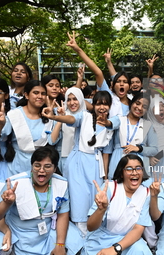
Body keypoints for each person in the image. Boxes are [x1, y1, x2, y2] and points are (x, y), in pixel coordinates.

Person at [42, 90, 119, 236]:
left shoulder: (111, 126)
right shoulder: (84, 116)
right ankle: (79, 235)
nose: (101, 107)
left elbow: (106, 154)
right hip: (78, 163)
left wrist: (106, 176)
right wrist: (56, 117)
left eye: (105, 104)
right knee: (78, 198)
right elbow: (72, 120)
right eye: (98, 104)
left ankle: (91, 234)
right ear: (93, 105)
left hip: (96, 166)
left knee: (94, 199)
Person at [0, 146, 83, 255]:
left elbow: (62, 214)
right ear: (31, 167)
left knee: (75, 239)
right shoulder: (15, 183)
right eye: (37, 166)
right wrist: (6, 203)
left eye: (47, 166)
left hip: (47, 231)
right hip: (20, 233)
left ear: (55, 168)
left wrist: (60, 244)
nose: (41, 170)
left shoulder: (61, 183)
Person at [82, 154, 152, 255]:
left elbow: (138, 228)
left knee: (141, 249)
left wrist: (116, 248)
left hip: (128, 240)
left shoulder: (146, 193)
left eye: (138, 168)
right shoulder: (110, 188)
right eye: (129, 169)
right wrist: (101, 209)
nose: (134, 172)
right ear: (121, 173)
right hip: (101, 240)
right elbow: (90, 227)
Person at [0, 80, 53, 176]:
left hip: (41, 167)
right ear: (26, 95)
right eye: (36, 93)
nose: (40, 96)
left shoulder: (50, 116)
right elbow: (2, 136)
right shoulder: (15, 114)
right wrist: (0, 124)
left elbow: (53, 140)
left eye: (43, 94)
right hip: (17, 166)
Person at [108, 93, 158, 179]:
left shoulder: (148, 125)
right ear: (131, 103)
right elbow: (109, 123)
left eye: (144, 107)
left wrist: (139, 149)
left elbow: (154, 149)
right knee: (117, 189)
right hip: (118, 161)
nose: (139, 108)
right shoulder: (119, 119)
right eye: (137, 103)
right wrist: (104, 121)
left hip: (139, 165)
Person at [49, 87, 86, 177]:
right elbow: (52, 141)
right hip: (66, 158)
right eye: (68, 100)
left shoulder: (88, 117)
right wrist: (60, 118)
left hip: (83, 159)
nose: (72, 103)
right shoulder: (61, 115)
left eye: (75, 99)